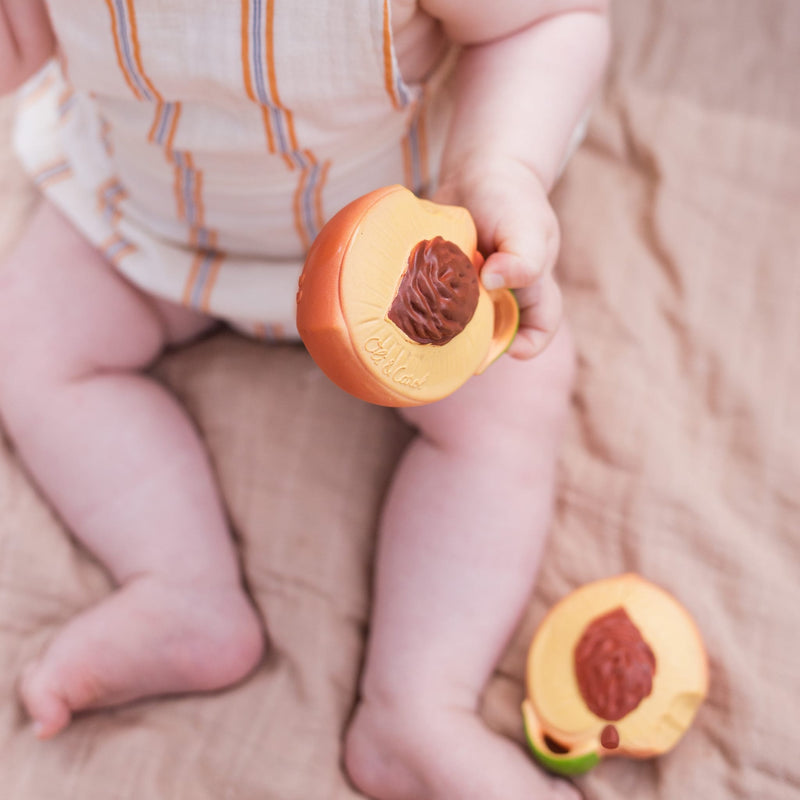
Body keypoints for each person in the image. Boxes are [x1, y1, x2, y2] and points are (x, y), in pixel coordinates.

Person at [0, 1, 609, 797]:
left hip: (409, 258)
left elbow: (548, 20)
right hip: (152, 224)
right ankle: (178, 588)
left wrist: (501, 164)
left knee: (510, 399)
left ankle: (418, 704)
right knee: (29, 342)